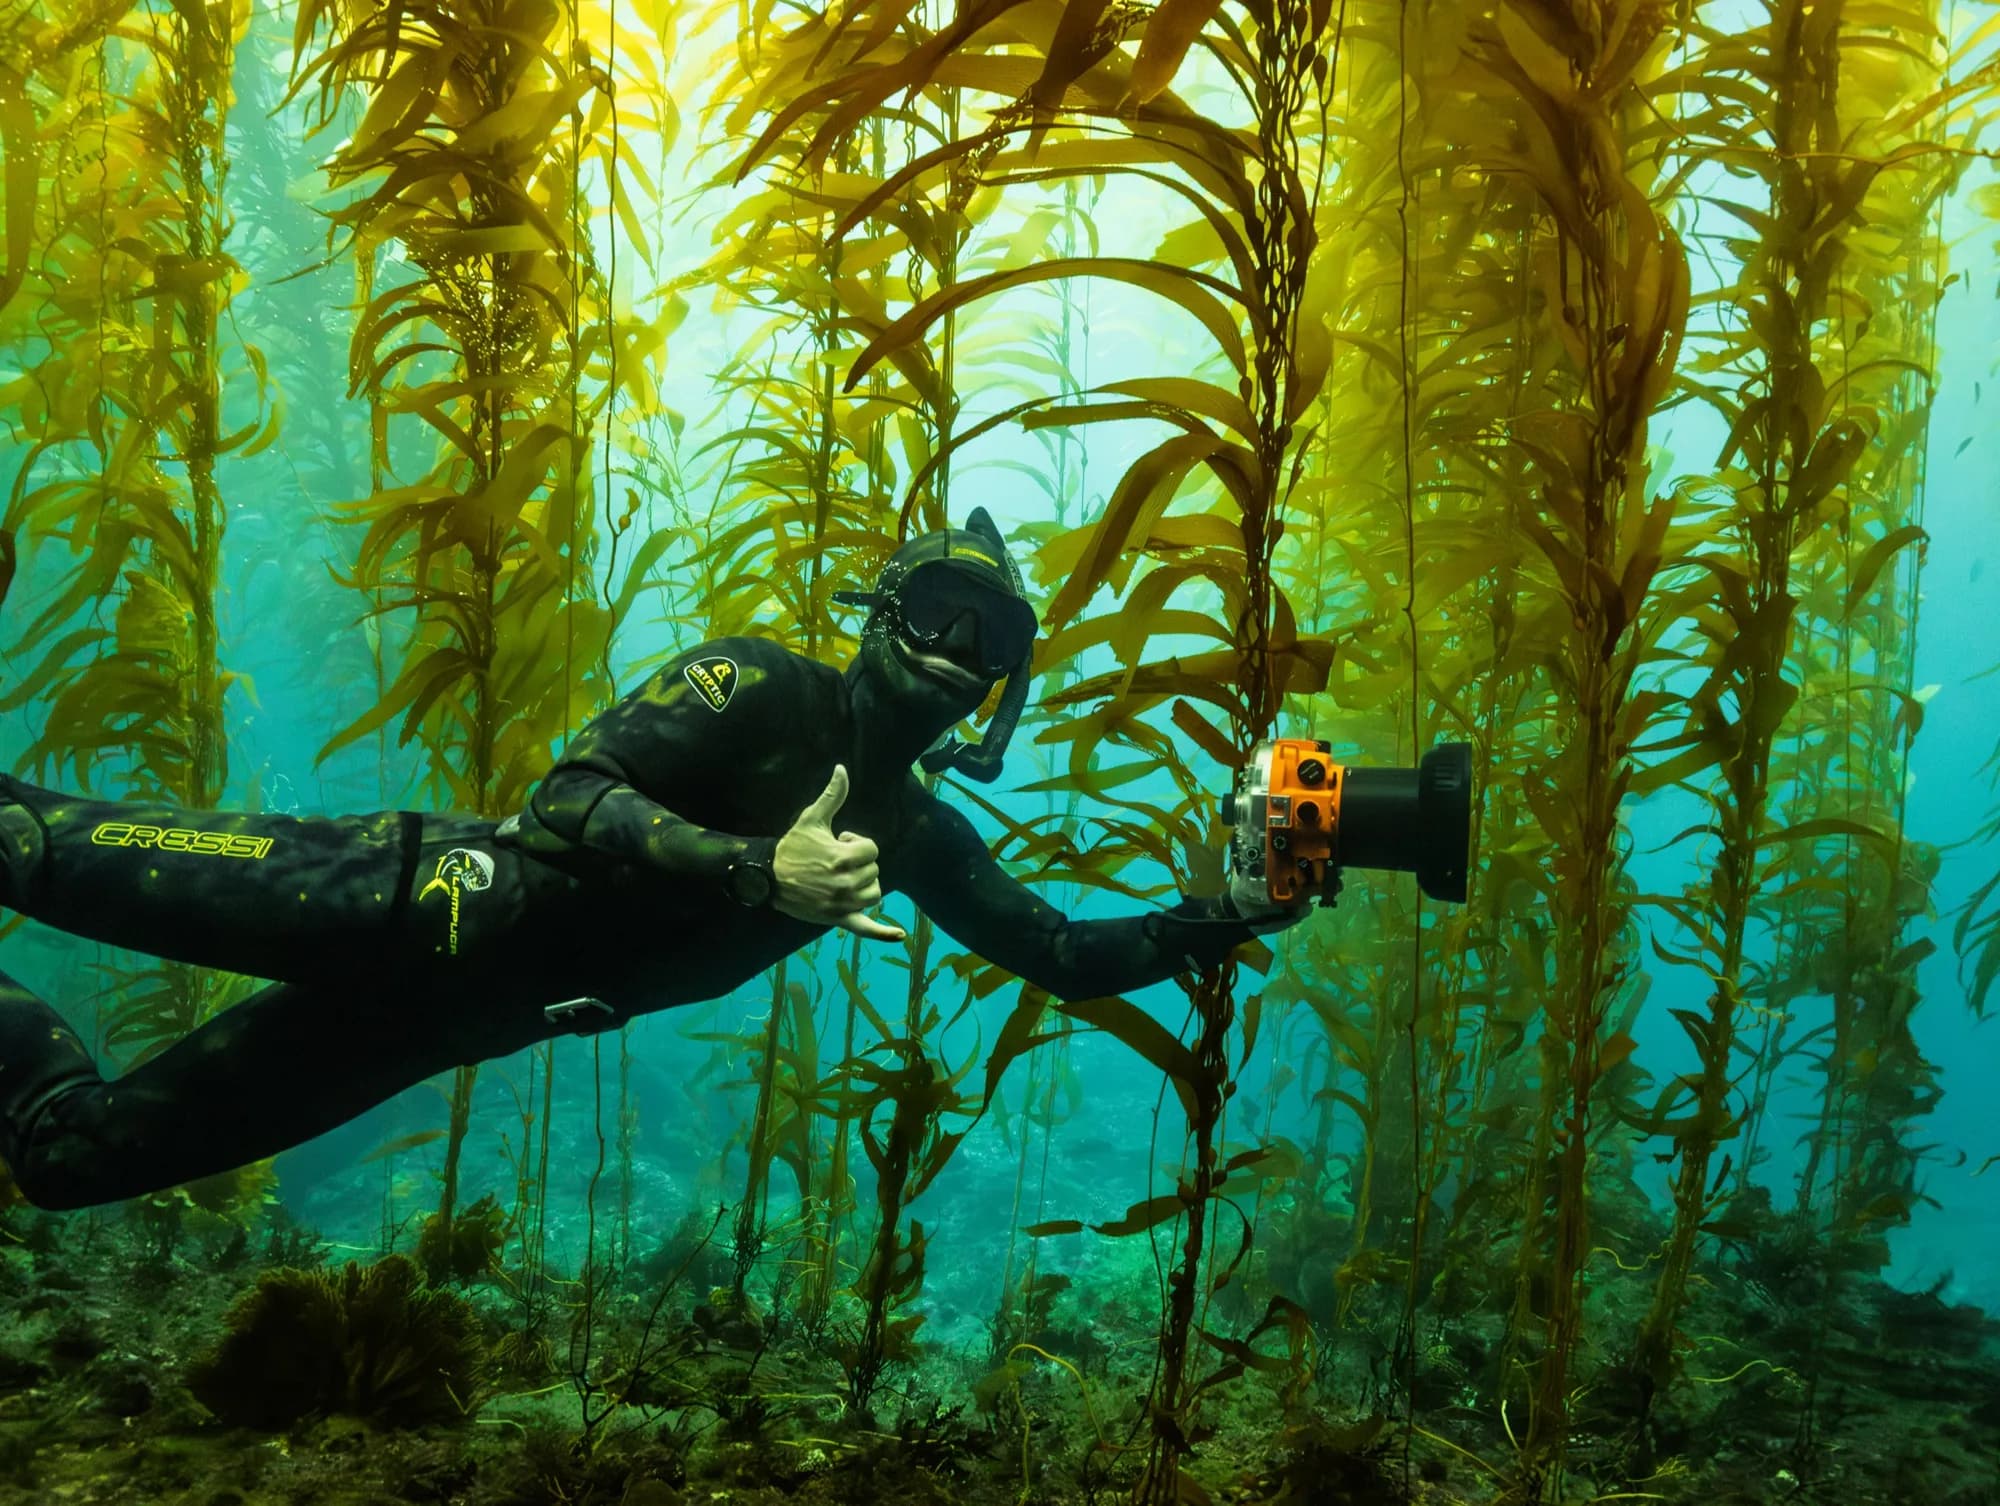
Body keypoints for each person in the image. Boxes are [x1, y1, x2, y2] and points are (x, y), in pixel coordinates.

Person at [0, 509, 1302, 1211]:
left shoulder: (916, 836)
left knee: (70, 1158)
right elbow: (567, 797)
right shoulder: (759, 684)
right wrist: (757, 871)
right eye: (933, 612)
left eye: (989, 636)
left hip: (442, 1022)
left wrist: (1230, 909)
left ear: (1003, 683)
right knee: (22, 848)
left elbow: (1062, 956)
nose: (954, 649)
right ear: (881, 611)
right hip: (404, 897)